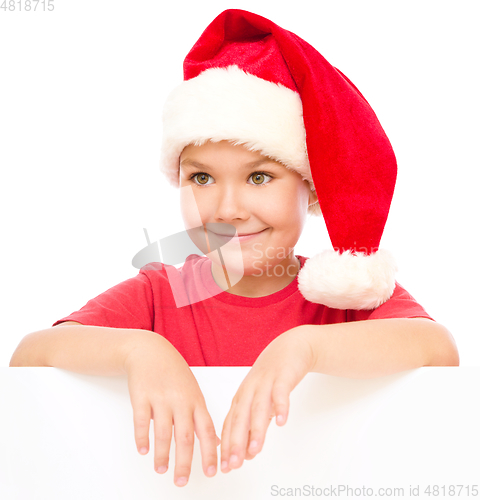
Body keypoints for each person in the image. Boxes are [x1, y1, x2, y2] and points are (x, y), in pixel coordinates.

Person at [9, 9, 459, 489]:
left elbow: (438, 350)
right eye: (201, 177)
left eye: (259, 176)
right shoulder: (163, 293)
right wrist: (138, 348)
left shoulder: (341, 295)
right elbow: (29, 356)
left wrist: (303, 347)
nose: (227, 209)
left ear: (308, 187)